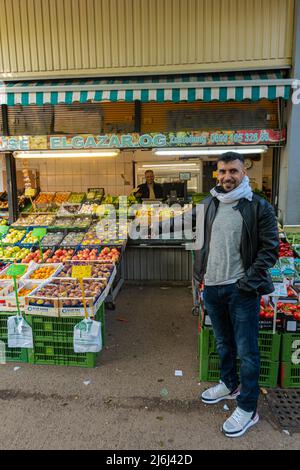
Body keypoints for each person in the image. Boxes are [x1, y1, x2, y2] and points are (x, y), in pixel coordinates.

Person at [196, 151, 279, 438]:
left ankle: (248, 407)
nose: (227, 177)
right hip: (213, 286)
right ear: (216, 174)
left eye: (233, 171)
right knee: (223, 342)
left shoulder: (258, 207)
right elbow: (204, 244)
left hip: (241, 289)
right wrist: (202, 279)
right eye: (222, 172)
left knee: (247, 350)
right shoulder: (210, 203)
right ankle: (229, 384)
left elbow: (270, 250)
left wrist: (247, 283)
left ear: (244, 173)